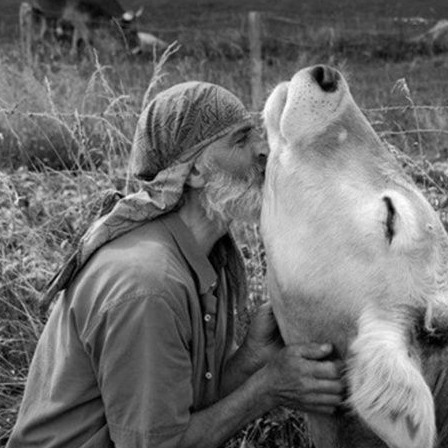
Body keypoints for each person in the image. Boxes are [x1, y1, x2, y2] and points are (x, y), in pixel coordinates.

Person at [7, 81, 344, 448]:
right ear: (196, 171)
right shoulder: (147, 287)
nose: (263, 151)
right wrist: (267, 389)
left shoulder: (195, 254)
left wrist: (250, 358)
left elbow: (175, 410)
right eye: (240, 140)